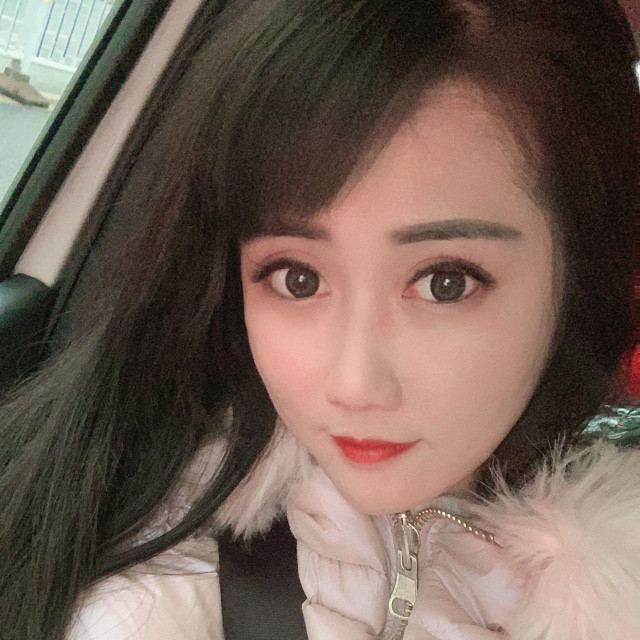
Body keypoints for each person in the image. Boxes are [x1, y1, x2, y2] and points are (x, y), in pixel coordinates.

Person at [1, 0, 639, 638]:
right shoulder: (160, 604)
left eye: (444, 284)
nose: (355, 385)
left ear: (577, 274)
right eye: (297, 279)